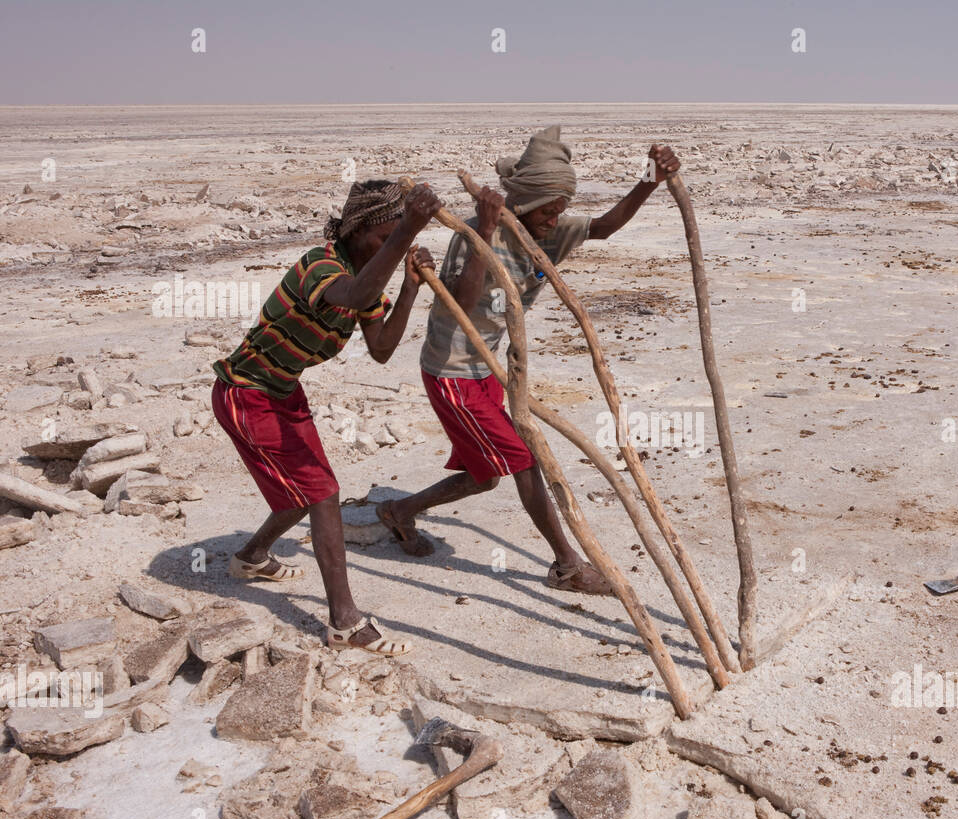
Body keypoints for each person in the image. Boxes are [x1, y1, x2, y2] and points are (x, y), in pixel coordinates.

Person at [377, 126, 680, 596]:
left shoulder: (547, 232)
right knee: (522, 461)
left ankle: (399, 511)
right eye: (550, 209)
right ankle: (566, 566)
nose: (557, 219)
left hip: (489, 371)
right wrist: (484, 232)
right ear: (526, 204)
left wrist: (650, 180)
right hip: (452, 371)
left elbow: (601, 226)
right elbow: (462, 298)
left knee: (484, 476)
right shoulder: (475, 235)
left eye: (562, 208)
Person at [211, 179, 442, 655]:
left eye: (397, 240)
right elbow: (354, 295)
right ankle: (344, 623)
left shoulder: (367, 277)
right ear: (357, 231)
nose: (392, 250)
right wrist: (409, 231)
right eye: (384, 239)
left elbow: (381, 349)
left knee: (305, 495)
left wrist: (410, 288)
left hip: (282, 392)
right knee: (322, 494)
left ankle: (251, 557)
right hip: (246, 393)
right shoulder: (322, 266)